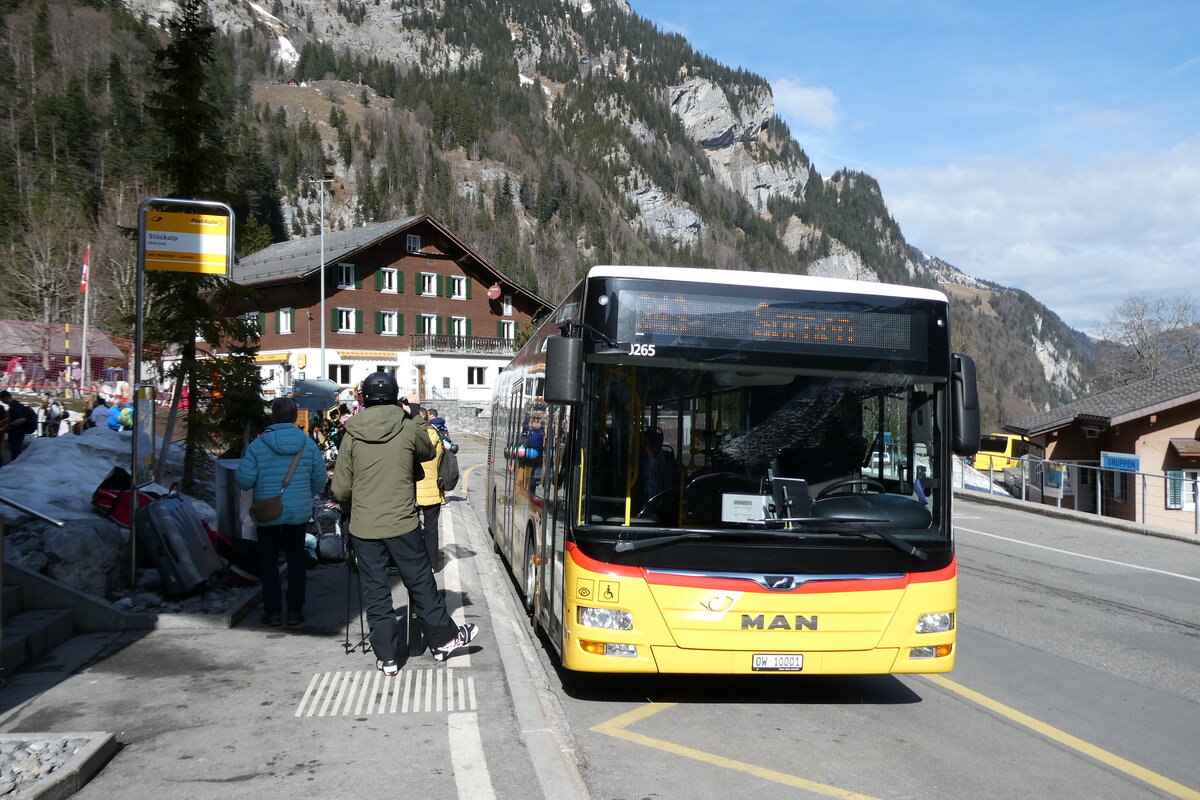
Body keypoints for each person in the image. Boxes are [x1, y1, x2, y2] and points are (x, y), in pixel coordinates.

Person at [331, 371, 477, 676]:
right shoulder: (407, 427)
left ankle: (387, 658)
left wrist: (352, 509)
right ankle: (444, 639)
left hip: (364, 527)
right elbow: (426, 451)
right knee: (420, 581)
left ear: (365, 398)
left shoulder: (351, 433)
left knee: (375, 591)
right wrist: (414, 415)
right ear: (395, 396)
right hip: (402, 522)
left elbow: (341, 488)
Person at [237, 397, 325, 627]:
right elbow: (319, 479)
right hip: (298, 512)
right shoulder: (307, 444)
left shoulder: (258, 445)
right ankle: (295, 610)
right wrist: (308, 494)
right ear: (295, 417)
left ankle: (273, 611)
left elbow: (245, 481)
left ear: (272, 417)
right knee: (296, 559)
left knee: (269, 561)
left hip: (268, 512)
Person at [415, 407, 445, 572]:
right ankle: (433, 564)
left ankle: (418, 563)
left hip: (414, 491)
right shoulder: (436, 436)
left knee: (411, 529)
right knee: (431, 528)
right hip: (434, 488)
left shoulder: (412, 437)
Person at [0, 391, 31, 462]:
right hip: (15, 432)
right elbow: (12, 417)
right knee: (14, 450)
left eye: (2, 400)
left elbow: (22, 419)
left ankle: (16, 465)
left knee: (15, 450)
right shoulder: (13, 405)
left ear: (6, 397)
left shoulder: (15, 406)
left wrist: (10, 424)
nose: (3, 402)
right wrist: (3, 421)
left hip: (17, 432)